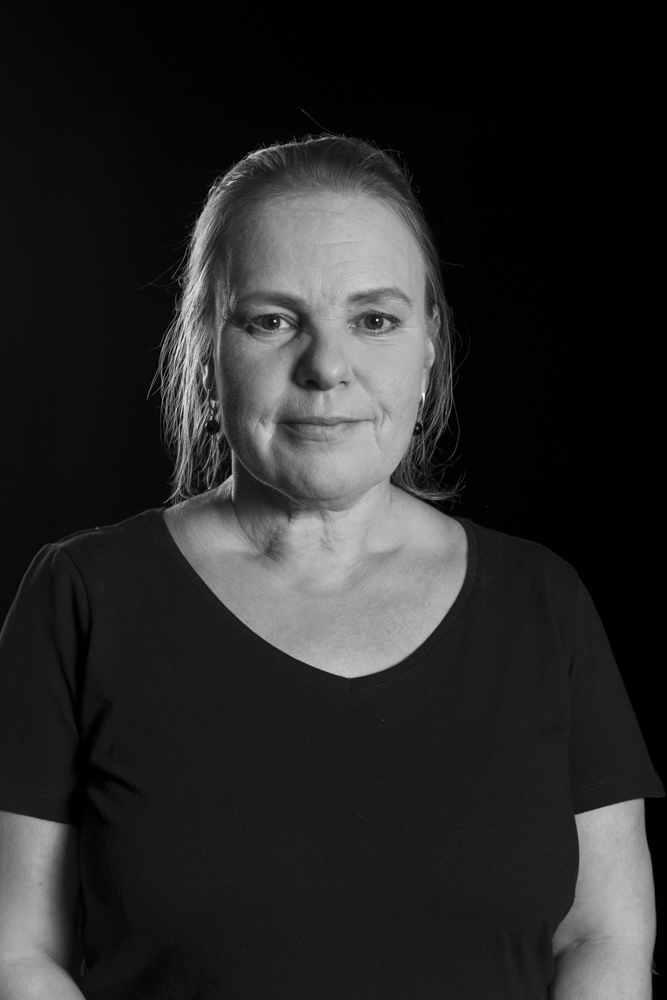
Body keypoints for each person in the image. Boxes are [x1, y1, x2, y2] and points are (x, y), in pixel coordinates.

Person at [0, 134, 663, 999]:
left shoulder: (543, 604)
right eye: (272, 321)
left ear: (428, 352)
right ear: (205, 350)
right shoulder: (82, 599)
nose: (325, 367)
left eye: (374, 320)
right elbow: (17, 950)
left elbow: (601, 935)